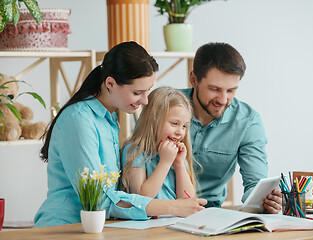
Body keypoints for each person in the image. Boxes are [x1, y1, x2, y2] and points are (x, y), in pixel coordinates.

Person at [34, 41, 206, 228]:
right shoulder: (79, 120)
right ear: (110, 83)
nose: (145, 100)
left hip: (96, 226)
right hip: (64, 226)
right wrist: (171, 207)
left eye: (147, 91)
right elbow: (98, 197)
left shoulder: (110, 120)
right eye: (137, 92)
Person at [181, 42, 281, 213]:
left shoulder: (248, 121)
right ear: (193, 79)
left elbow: (254, 184)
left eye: (231, 91)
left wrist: (265, 201)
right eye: (214, 89)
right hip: (161, 211)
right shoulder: (164, 106)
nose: (223, 99)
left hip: (210, 213)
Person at [121, 87, 197, 200]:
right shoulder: (135, 151)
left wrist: (179, 163)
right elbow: (141, 198)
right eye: (174, 123)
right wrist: (165, 162)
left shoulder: (176, 154)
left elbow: (189, 199)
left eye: (184, 126)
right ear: (154, 120)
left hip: (175, 217)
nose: (180, 132)